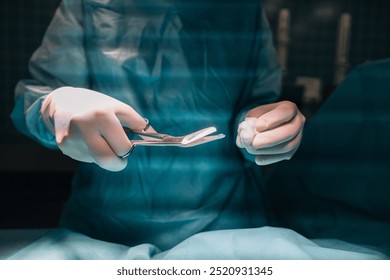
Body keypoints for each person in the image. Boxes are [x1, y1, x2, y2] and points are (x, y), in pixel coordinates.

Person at [9, 0, 385, 259]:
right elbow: (34, 98)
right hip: (104, 225)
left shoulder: (239, 10)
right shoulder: (91, 5)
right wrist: (56, 107)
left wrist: (263, 126)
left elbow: (252, 102)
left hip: (231, 224)